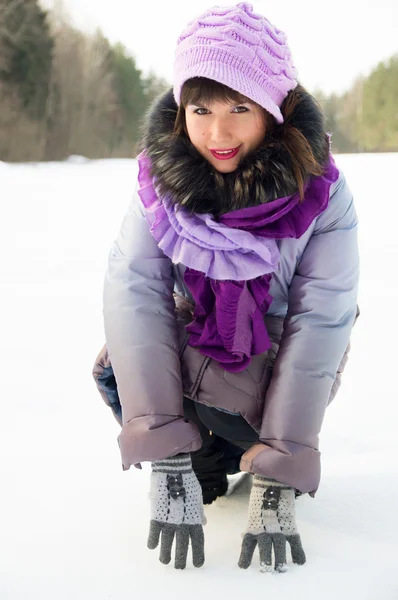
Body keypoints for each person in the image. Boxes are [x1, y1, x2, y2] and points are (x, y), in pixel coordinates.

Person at [92, 2, 359, 574]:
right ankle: (198, 460)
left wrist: (280, 469)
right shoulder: (160, 182)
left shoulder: (324, 195)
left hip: (277, 365)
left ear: (275, 108)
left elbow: (322, 322)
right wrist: (164, 452)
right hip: (197, 353)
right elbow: (134, 292)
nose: (218, 131)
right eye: (201, 107)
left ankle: (248, 452)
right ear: (180, 107)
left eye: (241, 105)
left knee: (258, 374)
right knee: (118, 364)